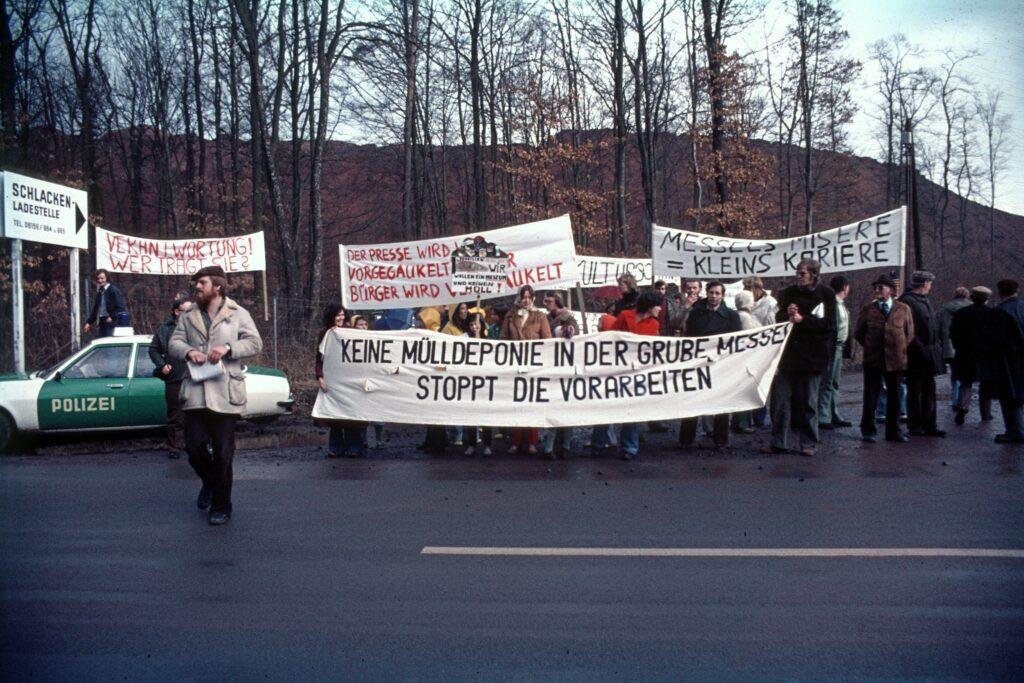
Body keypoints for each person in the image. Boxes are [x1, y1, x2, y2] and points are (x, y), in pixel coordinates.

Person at [169, 265, 263, 526]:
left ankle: (222, 505)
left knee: (223, 452)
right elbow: (174, 343)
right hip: (196, 392)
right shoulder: (188, 316)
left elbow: (256, 343)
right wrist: (189, 352)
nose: (197, 287)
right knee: (194, 449)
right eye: (196, 283)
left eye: (202, 283)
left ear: (218, 287)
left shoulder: (237, 314)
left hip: (224, 392)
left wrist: (228, 348)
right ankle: (211, 484)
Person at [765, 259, 836, 456]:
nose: (798, 275)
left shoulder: (826, 294)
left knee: (808, 404)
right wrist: (786, 315)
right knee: (780, 401)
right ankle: (779, 441)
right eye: (797, 271)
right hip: (787, 357)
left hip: (812, 358)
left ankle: (809, 443)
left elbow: (829, 326)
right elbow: (778, 320)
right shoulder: (788, 293)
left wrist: (803, 321)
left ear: (814, 274)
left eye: (802, 273)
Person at [678, 282, 742, 448]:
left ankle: (720, 440)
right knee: (692, 400)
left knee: (721, 403)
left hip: (721, 366)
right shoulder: (696, 313)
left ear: (722, 295)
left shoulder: (731, 316)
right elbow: (688, 336)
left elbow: (738, 341)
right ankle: (686, 439)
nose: (713, 296)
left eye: (717, 293)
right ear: (706, 293)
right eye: (711, 292)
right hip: (698, 363)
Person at [854, 274, 914, 443]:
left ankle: (893, 431)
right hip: (874, 359)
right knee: (871, 396)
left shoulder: (903, 309)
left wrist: (898, 348)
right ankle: (868, 430)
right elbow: (859, 333)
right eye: (876, 288)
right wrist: (872, 347)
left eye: (881, 287)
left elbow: (909, 333)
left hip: (896, 360)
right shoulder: (868, 309)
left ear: (891, 290)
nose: (877, 291)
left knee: (895, 396)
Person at [502, 285, 552, 454]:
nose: (526, 300)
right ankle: (515, 441)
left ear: (533, 298)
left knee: (532, 403)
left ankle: (531, 441)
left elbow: (548, 340)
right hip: (515, 364)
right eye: (523, 296)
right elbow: (504, 339)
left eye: (529, 297)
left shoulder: (540, 316)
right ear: (519, 298)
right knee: (516, 403)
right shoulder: (510, 315)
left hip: (534, 365)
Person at [613, 291, 662, 459]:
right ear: (650, 306)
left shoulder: (654, 325)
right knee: (605, 404)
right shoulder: (625, 315)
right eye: (658, 305)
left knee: (630, 407)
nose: (660, 309)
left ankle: (629, 447)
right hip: (617, 368)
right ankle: (600, 441)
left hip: (638, 371)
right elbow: (609, 337)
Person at [898, 271, 946, 437]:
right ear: (925, 283)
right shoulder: (907, 301)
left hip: (929, 351)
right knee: (916, 390)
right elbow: (905, 329)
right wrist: (919, 346)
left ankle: (929, 424)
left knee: (929, 390)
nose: (930, 286)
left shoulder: (924, 300)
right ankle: (916, 425)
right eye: (929, 283)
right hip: (916, 353)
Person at [149, 292, 192, 458]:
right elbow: (153, 350)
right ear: (176, 312)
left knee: (195, 416)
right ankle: (174, 447)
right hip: (174, 378)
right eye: (186, 310)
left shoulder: (196, 328)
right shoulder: (165, 330)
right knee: (175, 416)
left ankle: (194, 446)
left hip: (194, 379)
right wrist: (162, 365)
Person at [542, 292, 580, 459]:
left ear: (557, 302)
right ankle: (550, 447)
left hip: (565, 366)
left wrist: (566, 330)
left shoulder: (568, 317)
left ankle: (564, 445)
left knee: (567, 409)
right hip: (550, 365)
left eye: (550, 301)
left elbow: (575, 334)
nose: (547, 303)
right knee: (553, 408)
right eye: (545, 301)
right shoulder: (545, 317)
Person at [987, 279, 1024, 443]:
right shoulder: (1021, 307)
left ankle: (1014, 430)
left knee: (1009, 395)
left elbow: (995, 339)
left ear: (1000, 292)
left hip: (1007, 360)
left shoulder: (999, 312)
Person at [950, 286, 994, 425]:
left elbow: (953, 333)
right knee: (985, 384)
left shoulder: (961, 313)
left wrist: (958, 347)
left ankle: (963, 406)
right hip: (985, 354)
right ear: (986, 298)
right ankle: (985, 413)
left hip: (964, 353)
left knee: (965, 383)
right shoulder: (991, 314)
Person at [316, 303, 353, 458]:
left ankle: (354, 448)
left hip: (350, 381)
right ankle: (336, 448)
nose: (341, 318)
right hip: (332, 381)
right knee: (335, 416)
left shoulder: (352, 332)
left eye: (343, 315)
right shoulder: (325, 333)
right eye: (338, 315)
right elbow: (319, 358)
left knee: (352, 416)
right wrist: (320, 377)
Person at [818, 276, 853, 430]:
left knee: (834, 382)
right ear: (845, 287)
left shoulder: (841, 305)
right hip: (831, 347)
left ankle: (833, 413)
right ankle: (823, 416)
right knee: (827, 381)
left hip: (839, 346)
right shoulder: (831, 304)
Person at [462, 314, 494, 456]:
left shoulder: (487, 340)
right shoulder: (463, 338)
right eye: (471, 325)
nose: (474, 327)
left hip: (485, 382)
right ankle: (472, 444)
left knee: (486, 415)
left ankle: (487, 444)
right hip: (469, 381)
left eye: (476, 324)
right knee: (470, 414)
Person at [441, 303, 472, 445]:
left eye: (466, 309)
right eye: (461, 309)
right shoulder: (448, 328)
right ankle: (457, 435)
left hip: (469, 370)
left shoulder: (470, 324)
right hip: (456, 370)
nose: (464, 311)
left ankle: (471, 436)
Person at [730, 290, 760, 434]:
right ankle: (741, 423)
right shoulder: (745, 318)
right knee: (745, 391)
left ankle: (741, 422)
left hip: (744, 358)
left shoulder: (740, 315)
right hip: (747, 358)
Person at [939, 287, 972, 412]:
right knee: (967, 375)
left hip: (950, 346)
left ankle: (955, 399)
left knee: (954, 374)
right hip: (967, 347)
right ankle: (963, 401)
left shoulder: (945, 308)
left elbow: (940, 326)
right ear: (967, 296)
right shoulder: (971, 307)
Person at [83, 269, 127, 338]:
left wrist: (112, 317)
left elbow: (121, 308)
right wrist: (88, 323)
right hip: (102, 323)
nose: (100, 280)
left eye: (102, 278)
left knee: (109, 345)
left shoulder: (113, 290)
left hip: (112, 324)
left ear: (107, 278)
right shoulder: (100, 292)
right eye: (98, 278)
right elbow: (95, 310)